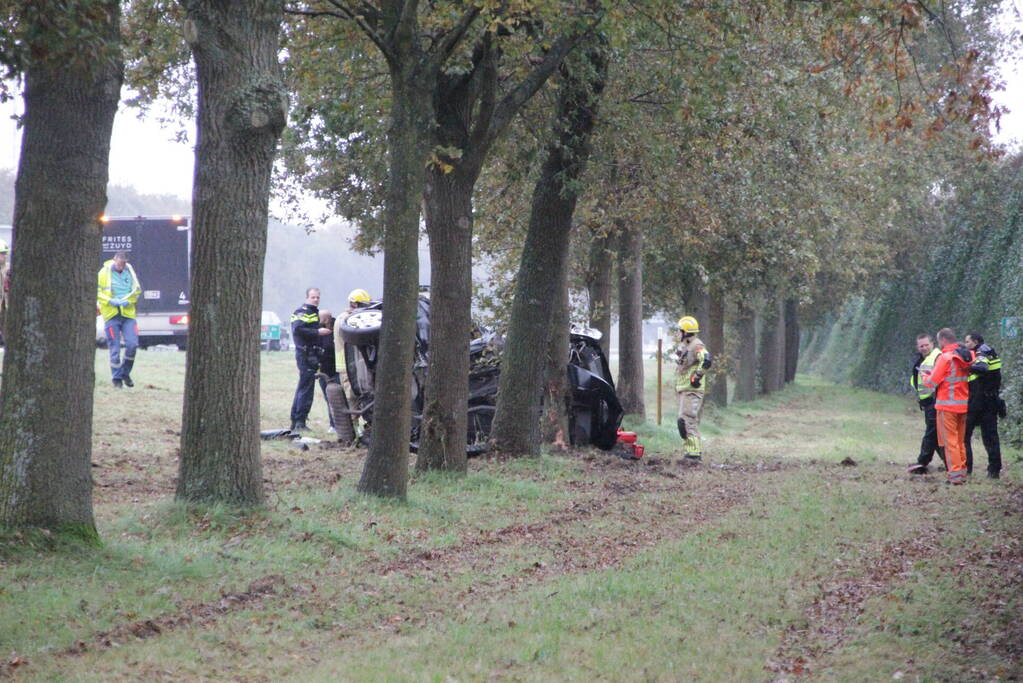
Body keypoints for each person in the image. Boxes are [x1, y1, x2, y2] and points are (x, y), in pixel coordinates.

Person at [924, 327, 974, 485]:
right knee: (960, 441)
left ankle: (955, 477)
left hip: (947, 407)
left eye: (939, 341)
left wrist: (925, 376)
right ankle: (962, 472)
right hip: (962, 405)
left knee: (950, 442)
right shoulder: (966, 355)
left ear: (943, 340)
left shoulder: (945, 358)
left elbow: (932, 382)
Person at [96, 250, 142, 388]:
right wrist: (110, 301)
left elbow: (137, 291)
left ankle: (125, 373)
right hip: (111, 315)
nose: (121, 266)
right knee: (115, 349)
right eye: (119, 263)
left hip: (128, 315)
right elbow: (97, 292)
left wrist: (130, 301)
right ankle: (116, 379)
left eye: (124, 264)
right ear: (114, 259)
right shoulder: (104, 272)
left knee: (132, 345)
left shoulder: (130, 272)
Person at [290, 287, 331, 431]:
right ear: (307, 297)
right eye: (313, 297)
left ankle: (296, 420)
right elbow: (298, 329)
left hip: (311, 354)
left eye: (318, 297)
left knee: (304, 386)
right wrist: (317, 332)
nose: (316, 300)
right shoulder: (302, 312)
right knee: (306, 389)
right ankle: (299, 422)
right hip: (305, 354)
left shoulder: (313, 312)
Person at [964, 332, 1003, 479]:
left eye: (967, 342)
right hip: (990, 400)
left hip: (981, 402)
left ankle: (967, 468)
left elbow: (981, 368)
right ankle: (994, 470)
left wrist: (966, 367)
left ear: (975, 342)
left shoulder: (981, 351)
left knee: (965, 435)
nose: (966, 345)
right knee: (990, 437)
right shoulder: (989, 350)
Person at [673, 315, 713, 461]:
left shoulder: (696, 345)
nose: (678, 332)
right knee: (682, 421)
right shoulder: (686, 345)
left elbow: (706, 359)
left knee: (687, 420)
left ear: (686, 332)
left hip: (692, 390)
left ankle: (694, 454)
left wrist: (697, 376)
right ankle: (690, 451)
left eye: (680, 330)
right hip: (685, 389)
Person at [907, 333, 943, 474]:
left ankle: (922, 462)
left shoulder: (937, 357)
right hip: (927, 402)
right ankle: (951, 463)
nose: (924, 348)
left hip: (935, 400)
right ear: (917, 347)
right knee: (935, 435)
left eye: (926, 345)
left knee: (931, 433)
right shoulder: (921, 360)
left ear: (932, 344)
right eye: (921, 346)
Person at [316, 309, 340, 433]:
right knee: (328, 399)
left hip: (336, 369)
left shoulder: (336, 330)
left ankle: (338, 424)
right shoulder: (318, 331)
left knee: (337, 399)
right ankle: (333, 424)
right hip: (324, 371)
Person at [0, 239, 9, 341]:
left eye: (5, 253)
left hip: (6, 303)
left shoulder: (9, 269)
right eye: (2, 253)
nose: (4, 256)